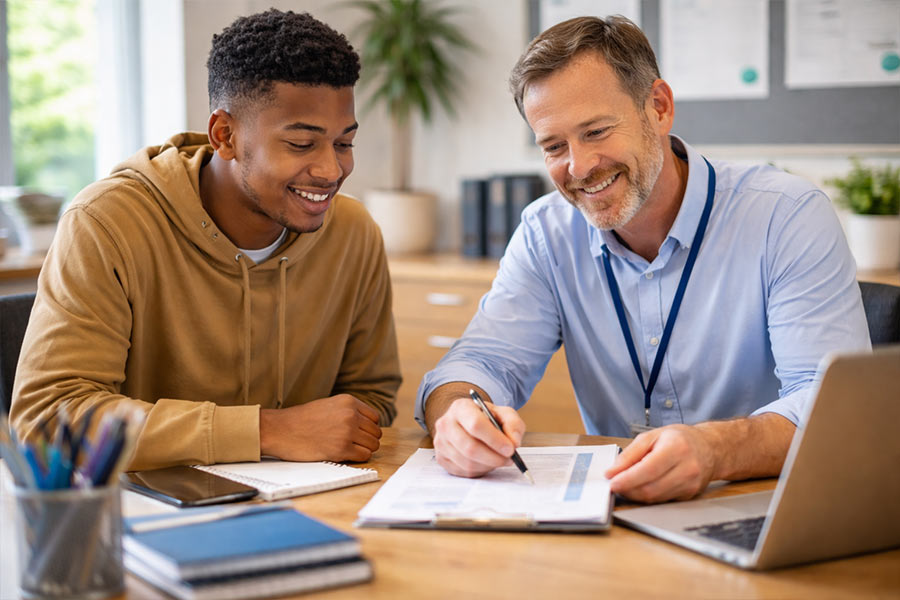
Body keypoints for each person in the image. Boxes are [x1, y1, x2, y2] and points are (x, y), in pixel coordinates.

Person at [416, 16, 869, 503]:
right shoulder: (545, 233)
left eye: (596, 131)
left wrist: (716, 448)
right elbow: (482, 361)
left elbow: (833, 407)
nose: (579, 167)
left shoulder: (785, 215)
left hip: (760, 504)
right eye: (553, 146)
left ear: (658, 107)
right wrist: (459, 413)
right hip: (619, 513)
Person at [10, 9, 400, 470]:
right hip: (144, 517)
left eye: (343, 143)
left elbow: (372, 398)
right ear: (225, 135)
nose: (331, 171)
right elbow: (49, 420)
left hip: (309, 506)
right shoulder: (106, 222)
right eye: (301, 144)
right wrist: (267, 431)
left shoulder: (353, 232)